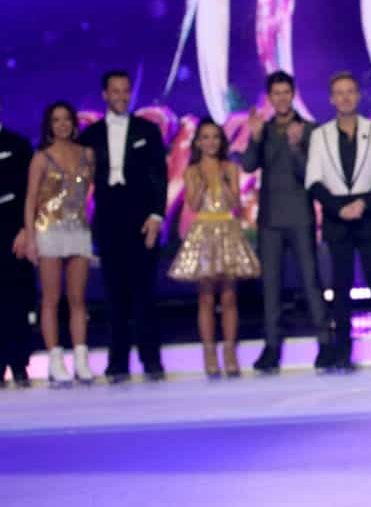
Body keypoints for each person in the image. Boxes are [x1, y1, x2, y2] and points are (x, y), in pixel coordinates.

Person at [306, 72, 371, 372]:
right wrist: (339, 208)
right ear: (332, 98)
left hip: (369, 215)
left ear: (358, 96)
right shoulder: (321, 135)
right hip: (337, 218)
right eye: (339, 92)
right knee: (341, 289)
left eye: (350, 91)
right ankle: (343, 352)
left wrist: (363, 203)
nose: (345, 97)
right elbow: (314, 181)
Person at [80, 71, 168, 383]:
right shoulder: (90, 134)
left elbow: (160, 174)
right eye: (114, 91)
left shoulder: (148, 130)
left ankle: (151, 360)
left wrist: (157, 216)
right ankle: (117, 361)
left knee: (145, 293)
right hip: (108, 217)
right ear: (104, 94)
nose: (120, 96)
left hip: (142, 217)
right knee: (114, 295)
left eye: (125, 90)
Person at [241, 71, 330, 375]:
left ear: (293, 94)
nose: (280, 98)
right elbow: (249, 165)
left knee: (310, 280)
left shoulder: (308, 129)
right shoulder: (262, 129)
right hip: (270, 219)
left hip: (300, 215)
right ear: (269, 97)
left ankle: (325, 341)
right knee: (271, 285)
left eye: (285, 92)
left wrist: (295, 147)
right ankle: (272, 346)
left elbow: (310, 175)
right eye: (275, 94)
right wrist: (252, 138)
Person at [168, 119, 260, 378]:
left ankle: (229, 351)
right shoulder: (192, 171)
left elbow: (234, 202)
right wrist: (203, 181)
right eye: (205, 137)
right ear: (198, 142)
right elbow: (195, 204)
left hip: (227, 229)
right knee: (206, 297)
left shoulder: (230, 167)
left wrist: (221, 178)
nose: (211, 142)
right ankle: (210, 352)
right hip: (204, 231)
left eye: (215, 137)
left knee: (229, 297)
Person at [20, 102, 95, 387]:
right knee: (51, 298)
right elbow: (30, 199)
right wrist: (30, 237)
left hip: (78, 229)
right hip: (49, 230)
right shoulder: (41, 158)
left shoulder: (87, 155)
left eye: (66, 119)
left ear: (74, 123)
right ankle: (54, 359)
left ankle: (81, 358)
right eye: (56, 120)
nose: (62, 124)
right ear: (49, 125)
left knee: (78, 299)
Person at [1, 112, 35, 388]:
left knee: (17, 300)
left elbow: (31, 192)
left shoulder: (18, 144)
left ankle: (19, 364)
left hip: (15, 237)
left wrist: (26, 230)